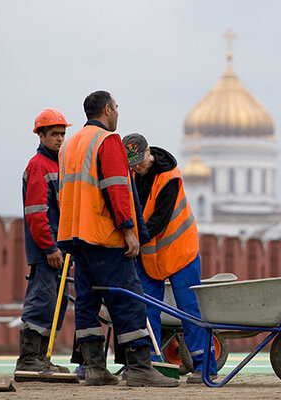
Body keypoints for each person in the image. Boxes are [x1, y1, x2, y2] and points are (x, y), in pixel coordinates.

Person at [57, 90, 178, 387]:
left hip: (75, 235)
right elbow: (116, 188)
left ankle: (95, 367)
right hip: (103, 236)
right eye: (117, 108)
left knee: (87, 302)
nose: (118, 113)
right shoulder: (107, 141)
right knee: (127, 299)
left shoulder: (70, 145)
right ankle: (139, 368)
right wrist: (128, 229)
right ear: (108, 109)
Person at [121, 133, 218, 384]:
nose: (136, 167)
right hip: (150, 254)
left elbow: (158, 220)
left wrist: (131, 239)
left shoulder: (169, 178)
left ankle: (205, 366)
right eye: (131, 163)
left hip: (180, 250)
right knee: (145, 308)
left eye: (139, 161)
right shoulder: (130, 175)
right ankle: (150, 365)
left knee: (189, 309)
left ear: (148, 153)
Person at [16, 108, 72, 375]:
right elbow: (36, 213)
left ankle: (42, 359)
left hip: (59, 249)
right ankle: (29, 360)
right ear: (41, 135)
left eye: (62, 134)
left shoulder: (58, 164)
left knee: (55, 304)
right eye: (54, 134)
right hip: (47, 250)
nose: (60, 139)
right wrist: (49, 247)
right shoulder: (39, 165)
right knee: (42, 301)